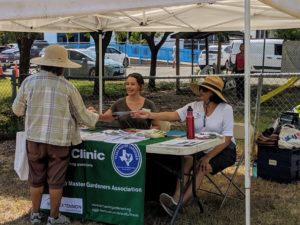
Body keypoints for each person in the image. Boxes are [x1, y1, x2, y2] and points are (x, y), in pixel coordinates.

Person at [12, 45, 100, 225]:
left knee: (36, 179)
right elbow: (83, 116)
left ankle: (35, 215)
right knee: (56, 181)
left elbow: (17, 110)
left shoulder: (28, 82)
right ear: (62, 66)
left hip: (34, 140)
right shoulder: (67, 87)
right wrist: (96, 116)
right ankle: (54, 217)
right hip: (59, 142)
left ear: (44, 63)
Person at [132, 75, 236, 216]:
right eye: (200, 88)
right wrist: (150, 115)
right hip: (199, 147)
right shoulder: (194, 106)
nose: (200, 92)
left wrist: (208, 157)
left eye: (204, 90)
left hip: (223, 149)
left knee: (201, 167)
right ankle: (175, 199)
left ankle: (179, 206)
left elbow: (227, 139)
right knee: (186, 160)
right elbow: (173, 115)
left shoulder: (226, 109)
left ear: (212, 93)